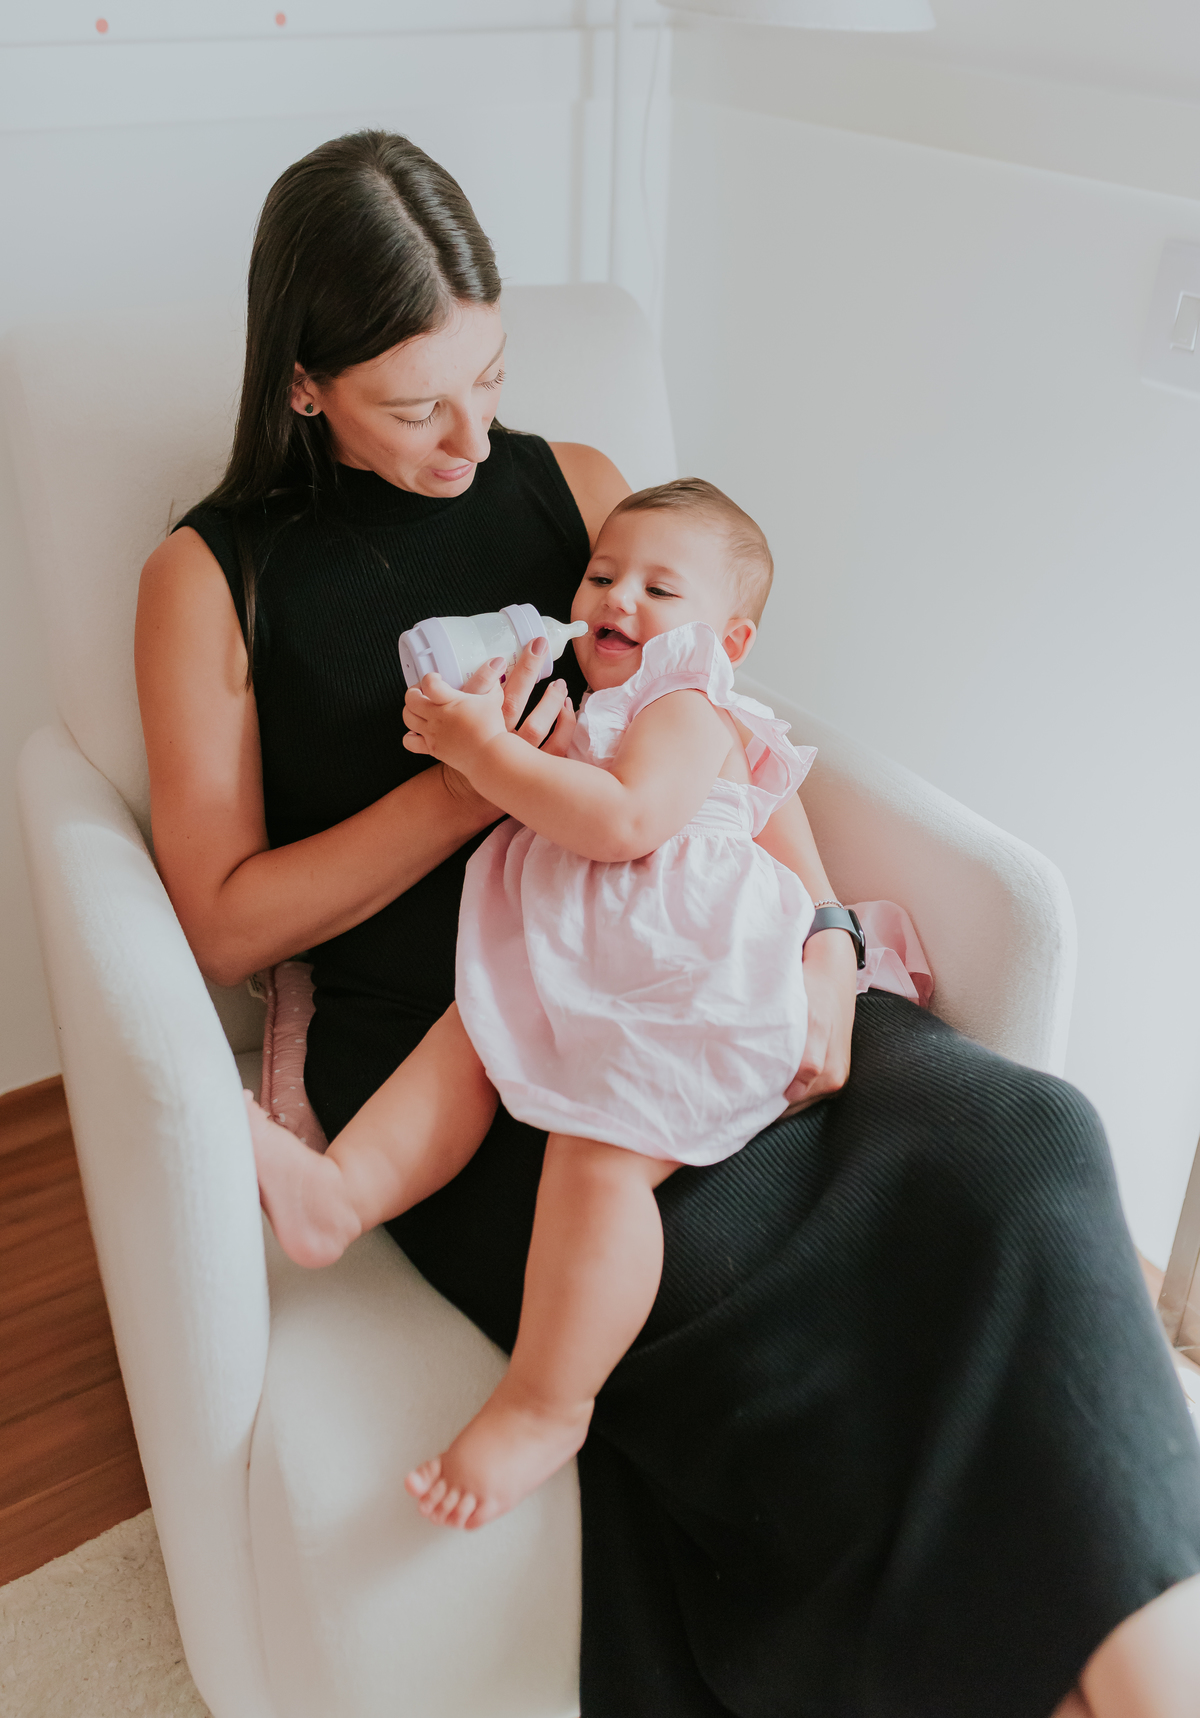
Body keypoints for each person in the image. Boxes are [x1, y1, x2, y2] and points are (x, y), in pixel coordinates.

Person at [135, 129, 1200, 1718]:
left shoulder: (576, 487)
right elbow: (222, 921)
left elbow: (724, 733)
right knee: (760, 1308)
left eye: (492, 377)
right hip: (475, 1054)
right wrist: (475, 788)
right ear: (303, 382)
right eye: (419, 407)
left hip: (704, 954)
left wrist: (827, 935)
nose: (473, 437)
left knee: (1027, 1140)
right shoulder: (210, 577)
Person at [246, 479, 930, 1530]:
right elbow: (571, 798)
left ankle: (547, 1403)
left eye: (660, 588)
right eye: (603, 574)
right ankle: (340, 1194)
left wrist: (487, 756)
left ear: (727, 640)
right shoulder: (608, 708)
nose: (618, 598)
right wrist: (484, 737)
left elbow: (623, 823)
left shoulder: (689, 703)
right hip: (594, 949)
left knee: (599, 1155)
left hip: (689, 972)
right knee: (473, 1034)